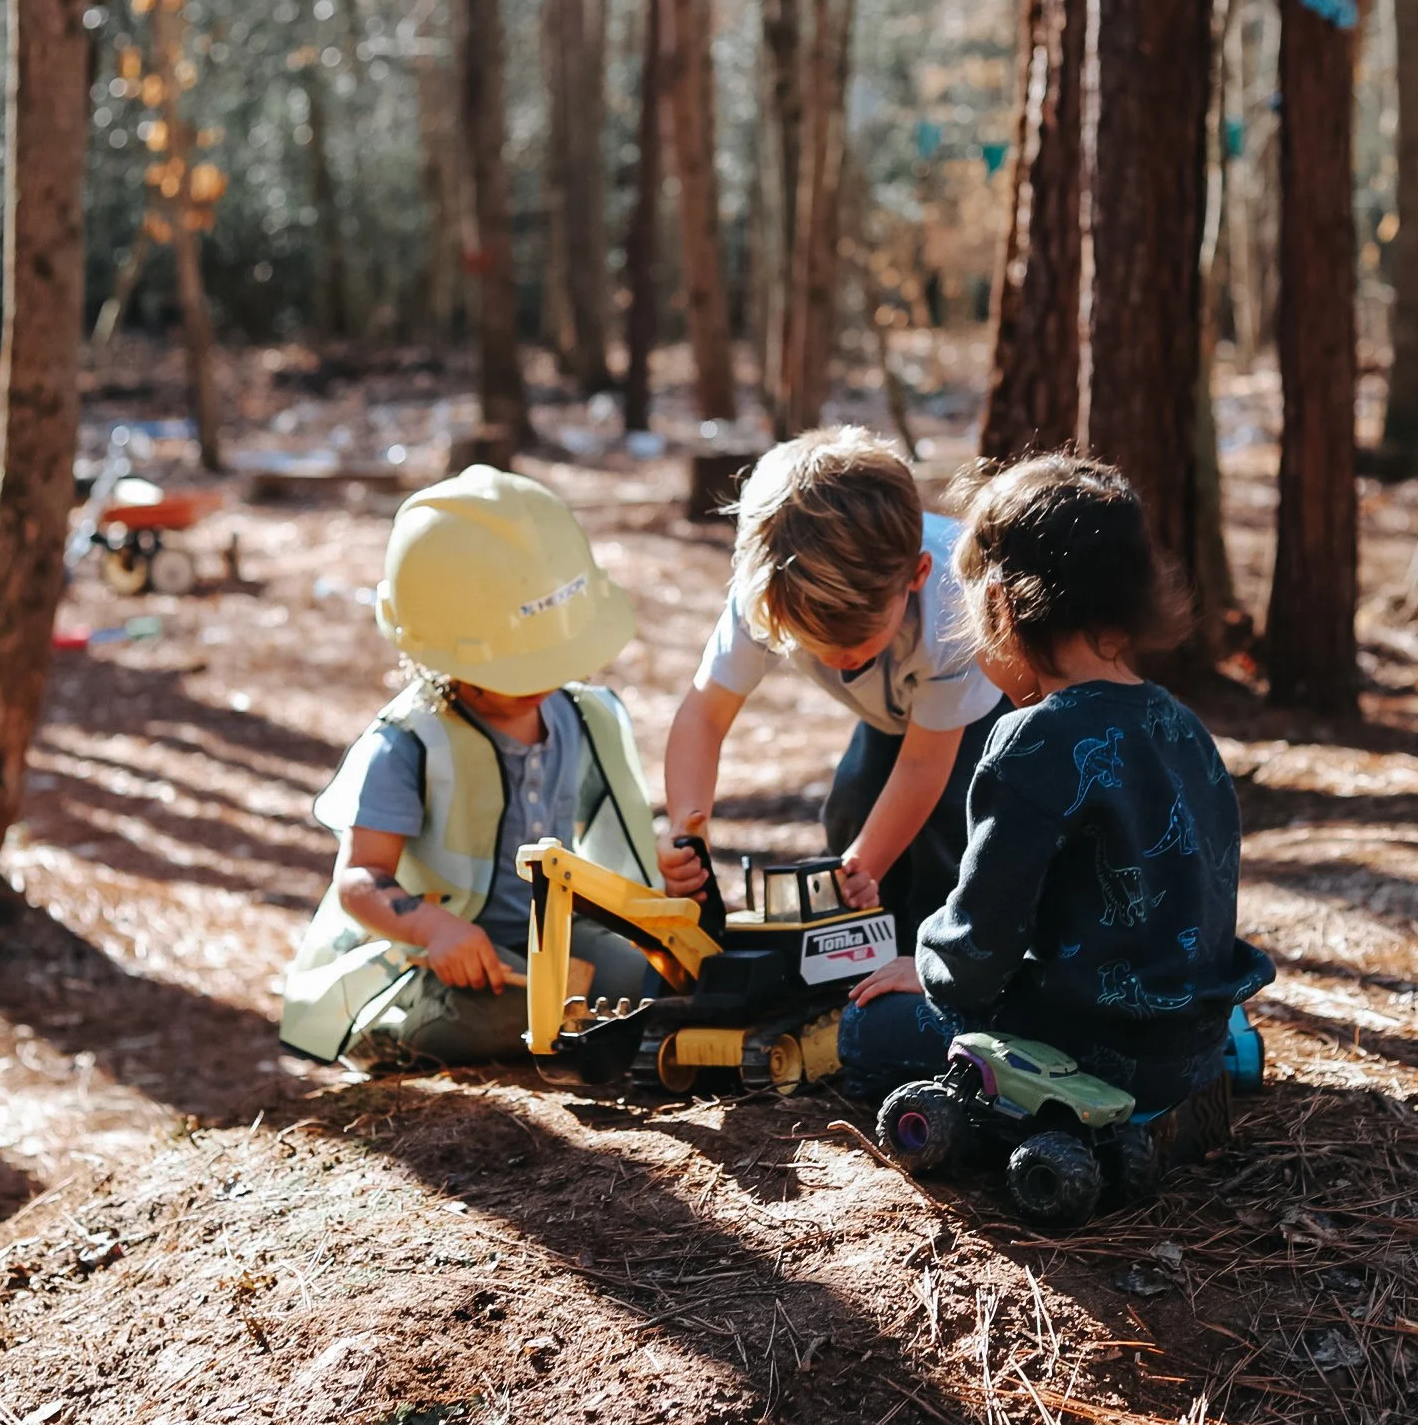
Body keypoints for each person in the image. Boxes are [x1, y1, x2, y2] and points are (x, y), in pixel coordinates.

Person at [838, 453, 1274, 1160]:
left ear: (1003, 606)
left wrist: (924, 963)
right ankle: (1208, 1067)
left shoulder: (1031, 741)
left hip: (1083, 1049)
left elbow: (980, 950)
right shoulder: (1184, 727)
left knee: (865, 1030)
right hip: (1185, 1038)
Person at [279, 467, 664, 1067]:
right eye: (519, 672)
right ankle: (396, 1025)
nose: (541, 683)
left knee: (650, 980)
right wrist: (434, 929)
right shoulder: (409, 743)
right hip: (431, 952)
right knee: (509, 1012)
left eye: (549, 661)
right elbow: (359, 879)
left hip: (543, 939)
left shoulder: (578, 719)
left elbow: (608, 840)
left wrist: (658, 868)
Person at [661, 426, 1005, 936]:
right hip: (892, 707)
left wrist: (863, 866)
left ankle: (944, 957)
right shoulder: (771, 591)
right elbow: (704, 715)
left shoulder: (952, 604)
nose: (838, 661)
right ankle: (863, 953)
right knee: (852, 808)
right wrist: (685, 832)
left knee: (951, 831)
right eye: (814, 643)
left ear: (916, 575)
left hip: (984, 705)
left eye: (858, 641)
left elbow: (922, 764)